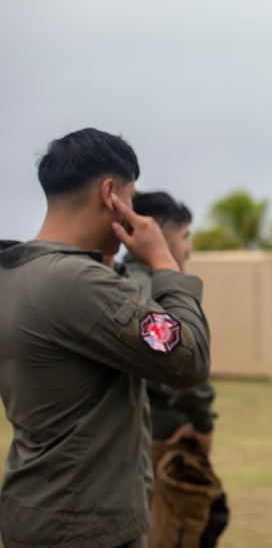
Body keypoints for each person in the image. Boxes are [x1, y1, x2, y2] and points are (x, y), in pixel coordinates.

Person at [0, 128, 212, 548]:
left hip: (40, 507)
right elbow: (188, 357)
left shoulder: (17, 272)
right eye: (131, 199)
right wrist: (163, 263)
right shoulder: (77, 283)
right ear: (110, 193)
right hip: (84, 524)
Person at [125, 191, 228, 548]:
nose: (187, 248)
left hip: (132, 440)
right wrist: (200, 422)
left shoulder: (111, 279)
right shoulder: (151, 287)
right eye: (184, 236)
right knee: (174, 532)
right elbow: (185, 361)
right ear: (158, 232)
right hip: (164, 436)